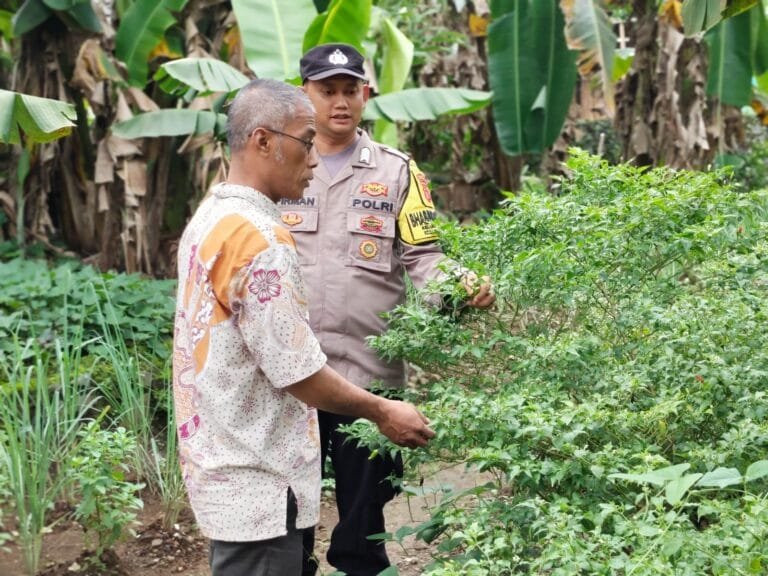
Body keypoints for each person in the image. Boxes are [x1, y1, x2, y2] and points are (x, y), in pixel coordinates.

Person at [172, 78, 435, 576]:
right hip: (261, 479)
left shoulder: (212, 218)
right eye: (306, 142)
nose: (314, 159)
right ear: (263, 141)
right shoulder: (260, 237)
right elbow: (297, 371)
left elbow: (423, 254)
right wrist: (382, 410)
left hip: (227, 467)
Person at [278, 44, 495, 576]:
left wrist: (459, 284)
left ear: (366, 94)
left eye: (350, 90)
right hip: (291, 373)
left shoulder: (398, 172)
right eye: (327, 91)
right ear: (304, 94)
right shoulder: (278, 167)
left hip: (370, 373)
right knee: (287, 520)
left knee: (364, 523)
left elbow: (425, 255)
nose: (340, 101)